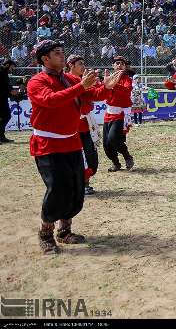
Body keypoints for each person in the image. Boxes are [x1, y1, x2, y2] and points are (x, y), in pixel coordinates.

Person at [28, 41, 99, 254]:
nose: (62, 56)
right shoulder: (36, 82)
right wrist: (80, 87)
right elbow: (51, 100)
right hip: (48, 144)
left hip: (71, 142)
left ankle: (64, 231)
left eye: (62, 52)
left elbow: (91, 94)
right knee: (57, 188)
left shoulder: (70, 79)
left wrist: (107, 88)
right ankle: (45, 233)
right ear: (44, 59)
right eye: (56, 53)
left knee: (75, 188)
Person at [66, 54, 122, 195]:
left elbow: (96, 95)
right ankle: (82, 184)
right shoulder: (66, 80)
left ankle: (83, 182)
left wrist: (106, 87)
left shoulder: (84, 80)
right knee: (80, 156)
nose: (83, 66)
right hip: (72, 126)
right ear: (71, 65)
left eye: (84, 63)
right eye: (80, 63)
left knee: (91, 156)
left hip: (87, 124)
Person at [103, 56, 135, 172]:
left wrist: (112, 84)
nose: (119, 65)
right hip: (109, 113)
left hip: (121, 113)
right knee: (106, 143)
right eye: (117, 63)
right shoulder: (109, 78)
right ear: (113, 66)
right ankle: (116, 163)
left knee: (113, 138)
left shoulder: (127, 79)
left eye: (122, 63)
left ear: (125, 66)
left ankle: (127, 156)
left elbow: (126, 91)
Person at [1, 58, 17, 143]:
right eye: (11, 68)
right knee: (6, 116)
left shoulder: (4, 72)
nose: (12, 70)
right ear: (7, 65)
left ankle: (1, 136)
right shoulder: (1, 71)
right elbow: (3, 85)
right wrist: (10, 91)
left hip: (3, 98)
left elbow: (6, 85)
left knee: (5, 116)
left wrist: (11, 91)